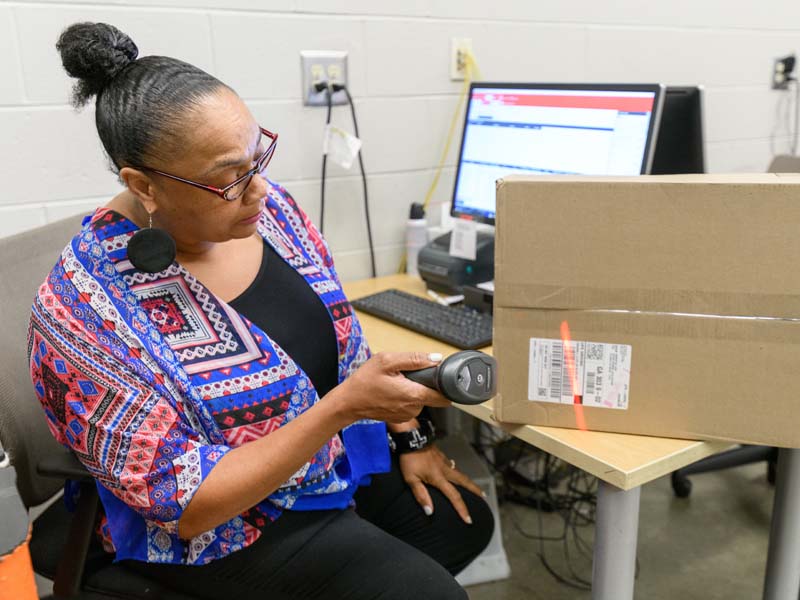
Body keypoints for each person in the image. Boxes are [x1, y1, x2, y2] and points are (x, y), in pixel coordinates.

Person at [27, 22, 492, 600]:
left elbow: (342, 339)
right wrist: (343, 409)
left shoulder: (268, 216)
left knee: (460, 520)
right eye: (229, 178)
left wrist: (407, 434)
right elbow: (184, 506)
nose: (260, 190)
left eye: (258, 156)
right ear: (143, 185)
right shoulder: (82, 309)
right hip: (221, 525)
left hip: (321, 465)